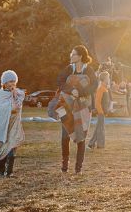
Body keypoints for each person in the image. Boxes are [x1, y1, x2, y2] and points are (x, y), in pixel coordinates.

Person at [54, 44, 95, 176]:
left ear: (80, 56)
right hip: (67, 105)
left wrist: (81, 92)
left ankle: (78, 168)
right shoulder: (68, 69)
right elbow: (60, 81)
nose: (71, 56)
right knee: (65, 136)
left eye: (73, 54)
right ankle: (64, 165)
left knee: (81, 136)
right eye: (71, 54)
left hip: (83, 106)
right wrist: (72, 90)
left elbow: (94, 85)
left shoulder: (88, 70)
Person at [0, 70, 25, 176]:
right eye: (10, 81)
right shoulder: (1, 95)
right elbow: (11, 108)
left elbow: (18, 106)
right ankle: (1, 170)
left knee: (13, 145)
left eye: (14, 81)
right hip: (3, 125)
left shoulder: (18, 93)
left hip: (14, 124)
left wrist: (14, 95)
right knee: (3, 147)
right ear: (4, 83)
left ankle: (9, 171)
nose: (12, 84)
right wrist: (12, 99)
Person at [91, 69, 111, 150]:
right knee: (101, 129)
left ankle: (91, 143)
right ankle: (100, 145)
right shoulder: (100, 88)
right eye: (108, 78)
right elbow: (97, 102)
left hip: (103, 112)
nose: (109, 79)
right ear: (105, 79)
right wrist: (101, 111)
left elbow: (106, 101)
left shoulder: (105, 88)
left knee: (98, 128)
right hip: (100, 112)